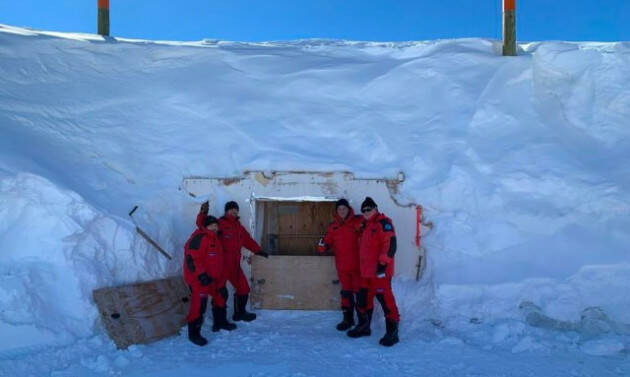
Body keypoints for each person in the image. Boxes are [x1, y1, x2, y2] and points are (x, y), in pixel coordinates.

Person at [198, 201, 269, 322]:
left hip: (235, 266)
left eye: (235, 210)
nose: (233, 212)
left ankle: (239, 314)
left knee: (244, 288)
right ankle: (219, 321)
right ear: (226, 211)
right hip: (221, 266)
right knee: (220, 293)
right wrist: (203, 213)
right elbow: (203, 226)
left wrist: (258, 251)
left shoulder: (239, 227)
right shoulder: (219, 223)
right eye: (231, 209)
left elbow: (247, 240)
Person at [347, 197, 400, 346]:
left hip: (379, 272)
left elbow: (390, 244)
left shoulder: (384, 223)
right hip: (366, 272)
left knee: (386, 301)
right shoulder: (365, 225)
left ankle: (392, 333)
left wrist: (383, 264)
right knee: (363, 299)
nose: (366, 212)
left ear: (375, 209)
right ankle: (364, 327)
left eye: (369, 209)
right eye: (363, 210)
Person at [183, 215, 236, 347]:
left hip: (213, 278)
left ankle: (220, 323)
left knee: (221, 295)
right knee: (199, 305)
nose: (214, 227)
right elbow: (192, 258)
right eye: (211, 225)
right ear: (205, 226)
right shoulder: (199, 238)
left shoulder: (215, 238)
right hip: (199, 279)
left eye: (216, 225)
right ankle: (194, 334)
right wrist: (201, 275)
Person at [317, 199, 362, 331]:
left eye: (344, 208)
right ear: (337, 211)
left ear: (348, 209)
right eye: (339, 209)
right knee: (346, 294)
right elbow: (327, 242)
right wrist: (322, 246)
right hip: (342, 267)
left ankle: (362, 321)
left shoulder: (357, 222)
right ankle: (348, 319)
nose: (342, 211)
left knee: (359, 294)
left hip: (357, 267)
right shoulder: (333, 226)